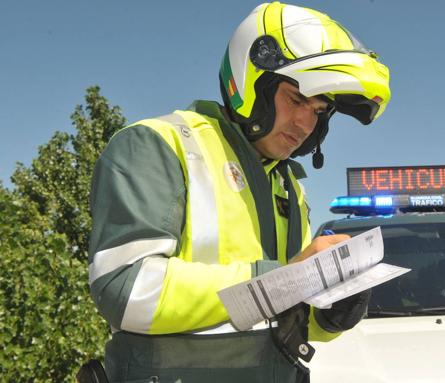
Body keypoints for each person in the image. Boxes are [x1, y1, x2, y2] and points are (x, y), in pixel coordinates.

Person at [87, 2, 390, 382]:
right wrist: (283, 279)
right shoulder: (159, 144)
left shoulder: (289, 186)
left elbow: (276, 311)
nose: (304, 123)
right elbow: (127, 292)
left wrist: (328, 315)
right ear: (252, 85)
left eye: (318, 110)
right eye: (296, 100)